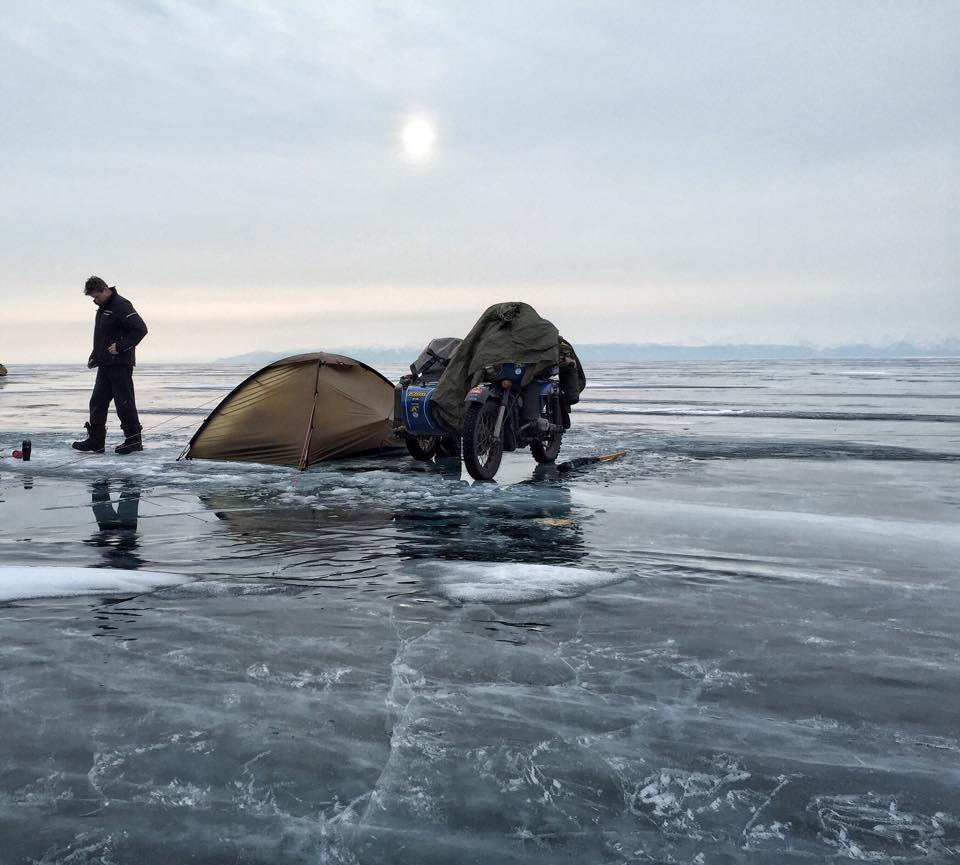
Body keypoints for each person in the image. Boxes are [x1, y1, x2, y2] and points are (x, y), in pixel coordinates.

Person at [72, 276, 148, 455]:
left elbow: (140, 329)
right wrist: (95, 356)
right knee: (97, 402)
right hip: (105, 364)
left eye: (96, 297)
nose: (94, 301)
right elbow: (103, 336)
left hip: (120, 364)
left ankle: (133, 441)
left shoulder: (121, 305)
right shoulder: (104, 308)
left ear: (105, 290)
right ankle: (96, 440)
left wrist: (121, 347)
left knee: (124, 403)